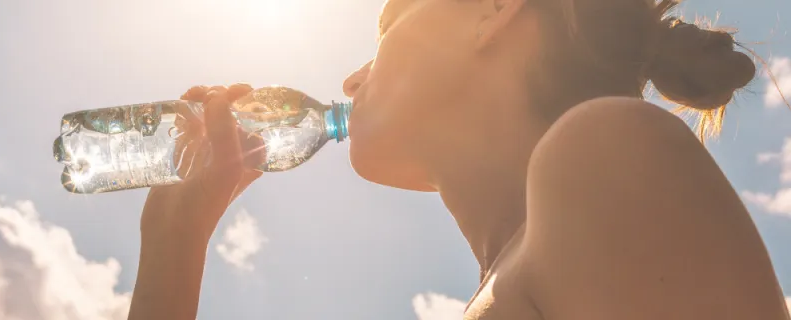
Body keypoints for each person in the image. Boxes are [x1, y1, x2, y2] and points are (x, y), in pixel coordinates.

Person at [126, 0, 791, 319]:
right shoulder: (504, 281)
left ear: (492, 11)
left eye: (386, 30)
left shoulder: (606, 148)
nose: (352, 79)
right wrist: (173, 247)